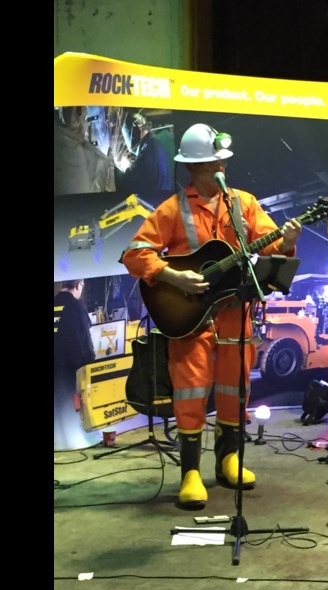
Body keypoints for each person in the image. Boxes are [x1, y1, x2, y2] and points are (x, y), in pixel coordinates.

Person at [121, 123, 302, 510]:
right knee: (191, 387)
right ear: (193, 168)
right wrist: (173, 276)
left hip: (236, 313)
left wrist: (287, 243)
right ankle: (190, 472)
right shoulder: (173, 210)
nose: (221, 168)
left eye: (222, 161)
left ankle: (230, 459)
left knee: (236, 385)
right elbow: (135, 254)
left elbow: (274, 254)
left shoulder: (245, 205)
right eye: (212, 163)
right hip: (189, 316)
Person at [54, 279, 100, 450]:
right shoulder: (76, 307)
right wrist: (91, 366)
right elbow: (84, 342)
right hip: (71, 370)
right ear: (79, 285)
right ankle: (73, 439)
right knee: (71, 408)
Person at [117, 111, 173, 196]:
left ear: (136, 130)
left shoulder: (146, 151)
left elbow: (128, 180)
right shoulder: (154, 145)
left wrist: (123, 168)